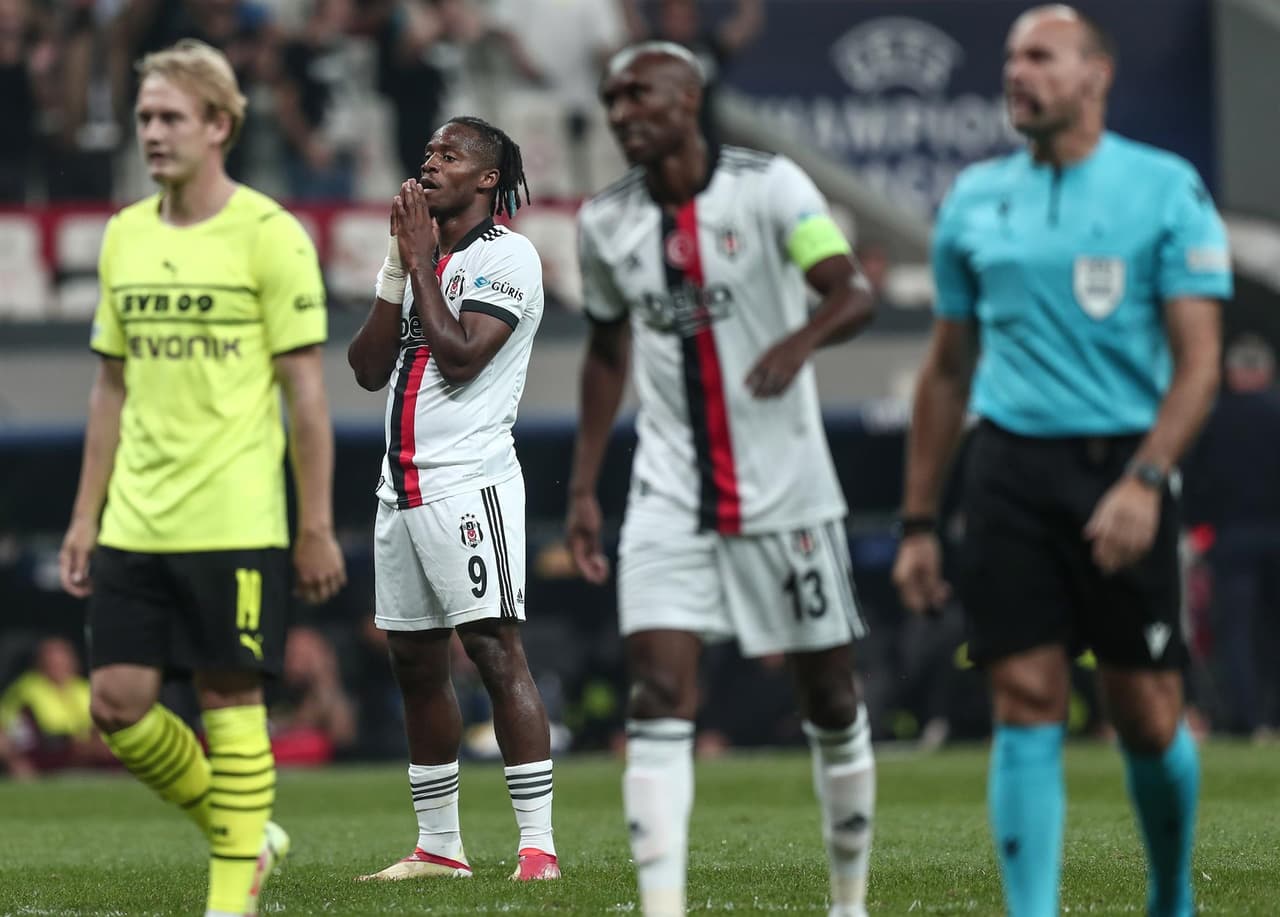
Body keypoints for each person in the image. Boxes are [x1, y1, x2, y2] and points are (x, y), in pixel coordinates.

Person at [891, 8, 1231, 917]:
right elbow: (948, 369)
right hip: (1007, 467)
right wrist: (919, 521)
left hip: (1124, 463)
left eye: (1040, 56)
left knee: (1145, 711)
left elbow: (1200, 364)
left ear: (1095, 76)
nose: (1018, 72)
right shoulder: (973, 199)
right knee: (1025, 693)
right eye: (1012, 58)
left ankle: (1171, 896)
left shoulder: (1165, 189)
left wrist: (1147, 480)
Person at [568, 42, 878, 917]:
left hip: (788, 490)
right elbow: (604, 349)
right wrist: (584, 487)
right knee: (657, 692)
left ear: (689, 98)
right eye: (612, 99)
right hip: (668, 493)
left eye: (640, 94)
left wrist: (798, 341)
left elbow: (850, 291)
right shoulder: (604, 222)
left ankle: (848, 903)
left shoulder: (770, 186)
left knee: (830, 696)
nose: (622, 112)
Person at [57, 38, 346, 917]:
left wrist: (315, 523)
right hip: (136, 517)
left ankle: (230, 898)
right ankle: (247, 832)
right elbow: (110, 387)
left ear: (219, 125)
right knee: (116, 705)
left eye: (170, 117)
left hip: (235, 513)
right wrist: (84, 515)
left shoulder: (270, 234)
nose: (152, 132)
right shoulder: (124, 235)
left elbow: (306, 396)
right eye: (145, 116)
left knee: (230, 700)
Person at [347, 115, 559, 883]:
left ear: (487, 179)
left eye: (450, 154)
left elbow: (464, 355)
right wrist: (397, 270)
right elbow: (368, 368)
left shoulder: (509, 256)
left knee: (495, 651)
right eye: (428, 151)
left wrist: (421, 264)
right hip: (398, 487)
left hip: (469, 481)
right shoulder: (418, 259)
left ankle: (538, 848)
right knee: (413, 660)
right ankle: (439, 846)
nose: (430, 163)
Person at [1185, 335, 1280, 738]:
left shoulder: (1213, 417)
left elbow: (1194, 479)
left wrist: (1197, 526)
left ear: (1230, 373)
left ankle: (1246, 718)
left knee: (1235, 632)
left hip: (1232, 538)